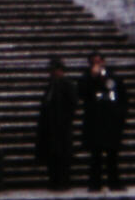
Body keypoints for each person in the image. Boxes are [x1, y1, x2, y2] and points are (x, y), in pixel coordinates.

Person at [78, 51, 129, 192]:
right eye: (94, 62)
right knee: (96, 156)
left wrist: (120, 114)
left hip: (111, 122)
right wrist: (93, 77)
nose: (97, 65)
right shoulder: (86, 78)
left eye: (99, 61)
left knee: (112, 155)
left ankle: (114, 182)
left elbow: (123, 97)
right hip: (95, 122)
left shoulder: (113, 78)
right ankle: (95, 183)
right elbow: (81, 93)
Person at [35, 56, 77, 191]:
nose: (52, 73)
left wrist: (63, 119)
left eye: (54, 70)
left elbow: (72, 104)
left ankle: (63, 181)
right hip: (50, 127)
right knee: (52, 155)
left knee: (62, 155)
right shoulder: (51, 85)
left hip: (62, 127)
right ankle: (54, 181)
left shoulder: (67, 84)